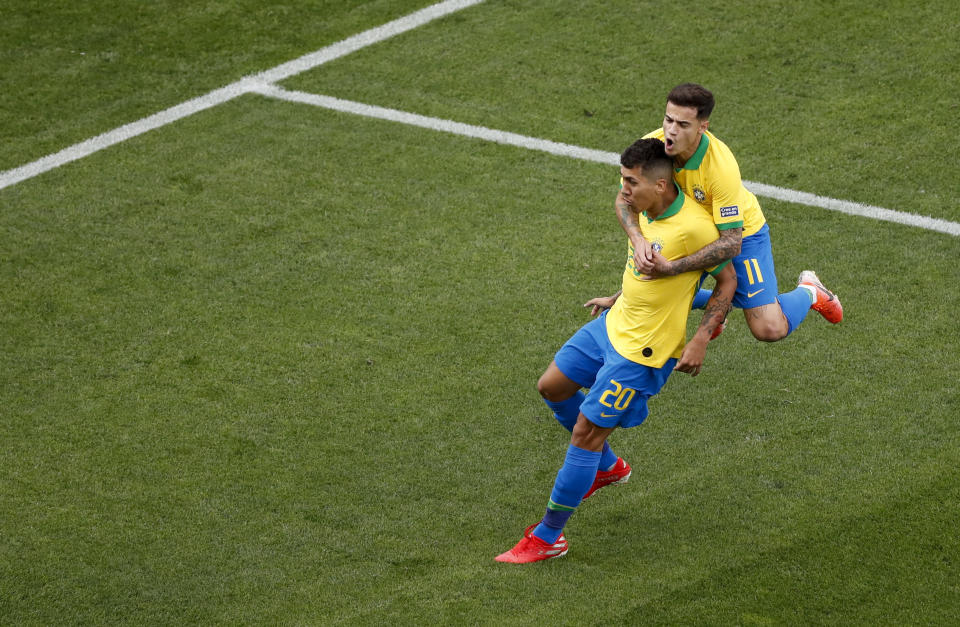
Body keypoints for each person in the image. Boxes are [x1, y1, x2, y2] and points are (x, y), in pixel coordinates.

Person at [495, 138, 736, 563]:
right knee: (552, 387)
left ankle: (549, 537)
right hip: (612, 324)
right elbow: (630, 228)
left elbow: (727, 280)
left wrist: (700, 338)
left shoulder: (693, 228)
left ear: (660, 186)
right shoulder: (642, 210)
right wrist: (618, 293)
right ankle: (607, 467)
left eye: (630, 181)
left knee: (585, 434)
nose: (623, 189)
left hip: (641, 352)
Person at [617, 83, 842, 342]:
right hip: (692, 233)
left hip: (741, 234)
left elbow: (731, 243)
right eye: (668, 120)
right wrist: (639, 240)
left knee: (769, 329)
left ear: (703, 127)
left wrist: (673, 267)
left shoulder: (720, 167)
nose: (671, 131)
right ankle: (719, 305)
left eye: (683, 125)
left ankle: (810, 291)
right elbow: (624, 198)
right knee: (650, 294)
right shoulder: (654, 147)